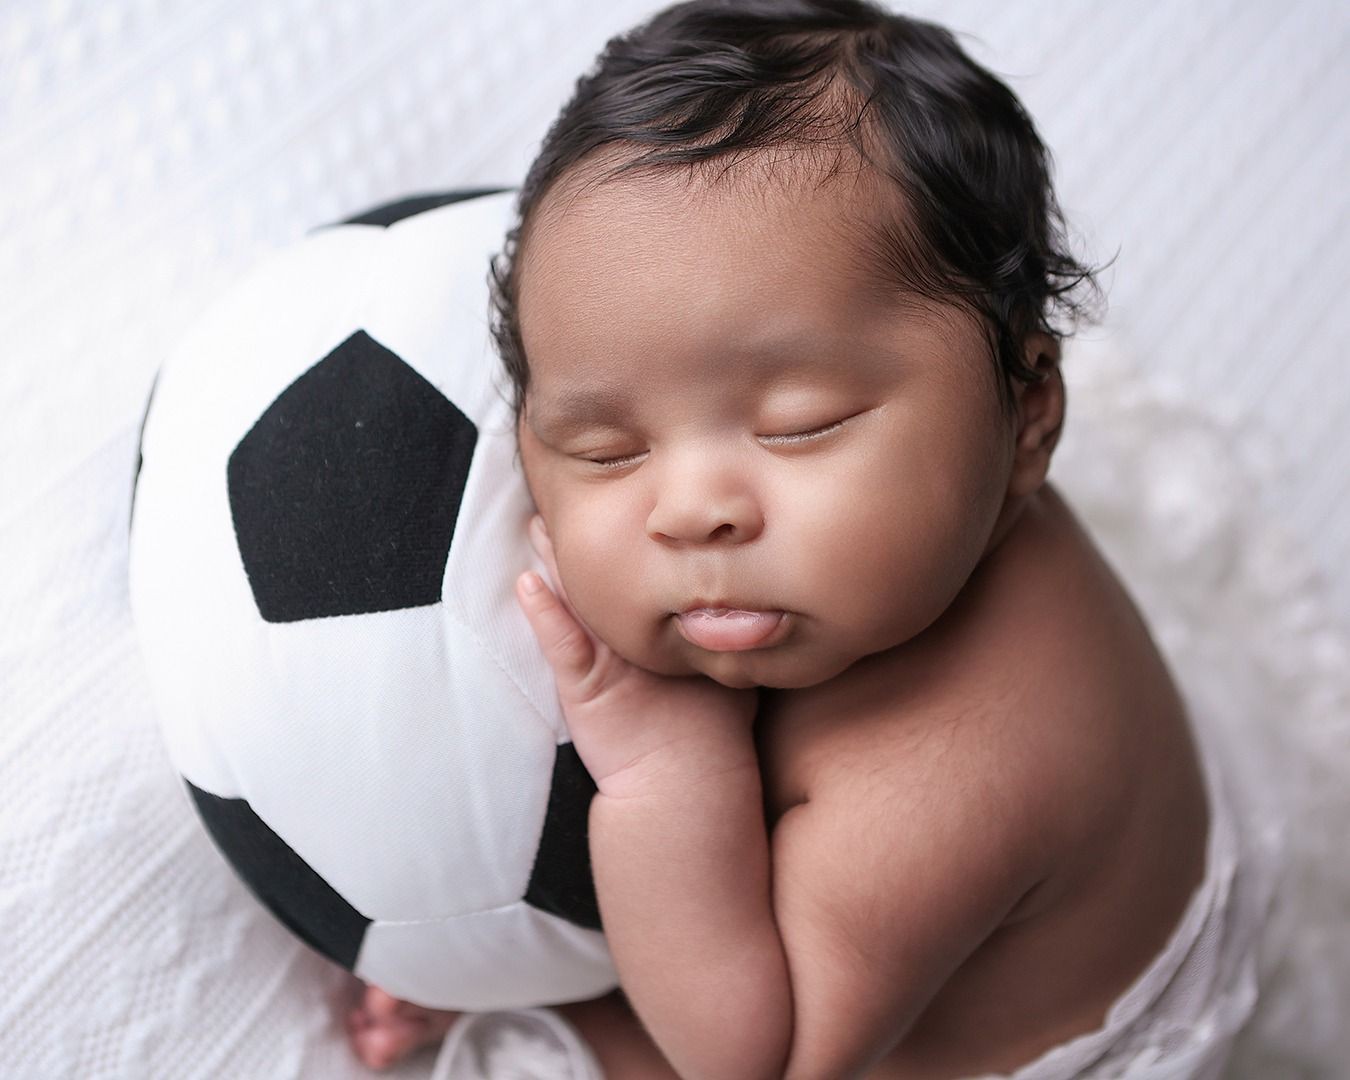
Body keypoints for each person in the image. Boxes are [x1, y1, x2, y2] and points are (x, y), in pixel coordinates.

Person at [346, 1, 1263, 1075]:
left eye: (801, 425)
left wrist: (659, 770)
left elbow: (758, 1059)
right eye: (604, 449)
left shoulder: (948, 785)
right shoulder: (916, 525)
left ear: (1030, 417)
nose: (691, 510)